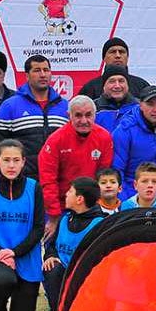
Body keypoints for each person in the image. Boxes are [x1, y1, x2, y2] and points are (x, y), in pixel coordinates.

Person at [0, 140, 44, 311]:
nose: (11, 165)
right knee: (4, 279)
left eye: (16, 160)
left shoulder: (34, 188)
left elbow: (38, 228)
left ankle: (19, 295)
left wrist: (15, 252)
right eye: (6, 160)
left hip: (26, 256)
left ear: (23, 162)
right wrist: (0, 253)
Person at [39, 95, 113, 229]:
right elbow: (48, 181)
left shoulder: (104, 137)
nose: (84, 121)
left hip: (92, 207)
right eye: (78, 115)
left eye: (88, 115)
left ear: (95, 115)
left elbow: (103, 177)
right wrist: (54, 217)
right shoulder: (56, 140)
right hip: (62, 208)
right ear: (69, 116)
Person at [0, 55, 68, 181]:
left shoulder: (65, 106)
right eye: (37, 70)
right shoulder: (10, 105)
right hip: (21, 181)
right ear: (27, 76)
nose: (43, 75)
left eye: (46, 70)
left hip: (57, 179)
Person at [42, 177, 105, 311]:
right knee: (52, 269)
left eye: (70, 191)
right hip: (61, 271)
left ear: (79, 199)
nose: (66, 194)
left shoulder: (99, 224)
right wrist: (50, 256)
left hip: (85, 275)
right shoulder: (65, 219)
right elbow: (52, 245)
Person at [79, 37, 150, 99]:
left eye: (122, 52)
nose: (118, 55)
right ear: (104, 58)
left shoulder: (141, 85)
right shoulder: (90, 88)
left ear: (127, 57)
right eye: (113, 52)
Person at [93, 65, 139, 132]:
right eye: (112, 81)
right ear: (104, 86)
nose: (117, 86)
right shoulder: (93, 109)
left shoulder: (139, 107)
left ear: (127, 85)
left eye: (121, 81)